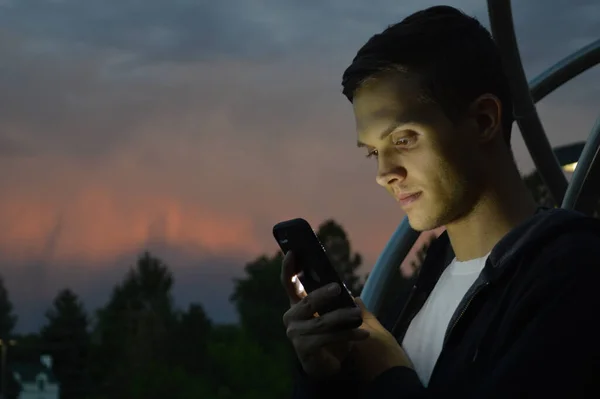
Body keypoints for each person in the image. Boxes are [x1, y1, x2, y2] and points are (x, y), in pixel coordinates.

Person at [280, 5, 600, 398]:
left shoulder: (575, 274)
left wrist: (386, 372)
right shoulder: (427, 281)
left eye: (404, 140)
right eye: (373, 152)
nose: (384, 173)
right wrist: (325, 377)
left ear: (484, 121)